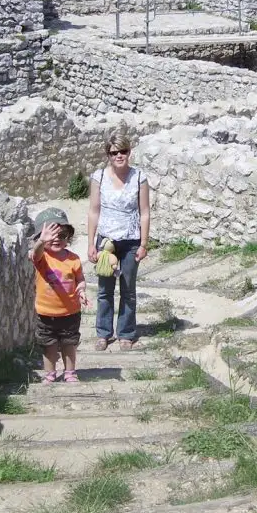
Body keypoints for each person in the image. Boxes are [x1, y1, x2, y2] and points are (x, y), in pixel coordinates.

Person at [88, 132, 150, 351]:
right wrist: (90, 243)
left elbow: (144, 212)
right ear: (108, 155)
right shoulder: (99, 177)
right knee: (105, 289)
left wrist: (143, 243)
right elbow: (94, 211)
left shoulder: (139, 177)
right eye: (114, 153)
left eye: (123, 151)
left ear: (129, 152)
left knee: (128, 289)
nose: (119, 156)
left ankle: (126, 333)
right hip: (106, 240)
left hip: (131, 238)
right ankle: (103, 333)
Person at [31, 207, 88, 383]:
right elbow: (35, 254)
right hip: (46, 312)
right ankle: (50, 373)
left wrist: (82, 289)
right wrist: (41, 242)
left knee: (69, 344)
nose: (56, 238)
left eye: (62, 235)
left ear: (68, 237)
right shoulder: (42, 257)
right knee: (49, 346)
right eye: (50, 234)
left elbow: (80, 279)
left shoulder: (74, 259)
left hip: (70, 311)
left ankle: (70, 372)